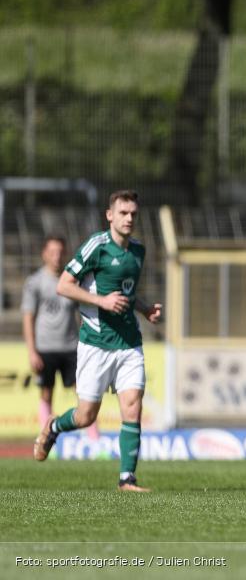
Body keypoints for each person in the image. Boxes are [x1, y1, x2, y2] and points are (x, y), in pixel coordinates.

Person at [33, 190, 163, 493]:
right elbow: (64, 286)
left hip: (129, 344)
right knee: (85, 415)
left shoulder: (137, 252)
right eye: (123, 213)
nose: (129, 218)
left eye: (133, 213)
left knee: (132, 407)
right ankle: (53, 426)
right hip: (95, 344)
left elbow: (127, 294)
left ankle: (126, 479)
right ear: (110, 215)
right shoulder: (97, 246)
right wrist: (100, 301)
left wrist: (144, 309)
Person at [22, 235, 99, 442]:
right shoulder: (35, 282)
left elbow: (84, 311)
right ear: (44, 254)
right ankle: (46, 439)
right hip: (45, 348)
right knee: (46, 393)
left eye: (60, 252)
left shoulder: (73, 280)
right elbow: (28, 317)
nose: (56, 257)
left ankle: (94, 442)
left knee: (85, 394)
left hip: (72, 347)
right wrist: (32, 350)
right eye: (52, 252)